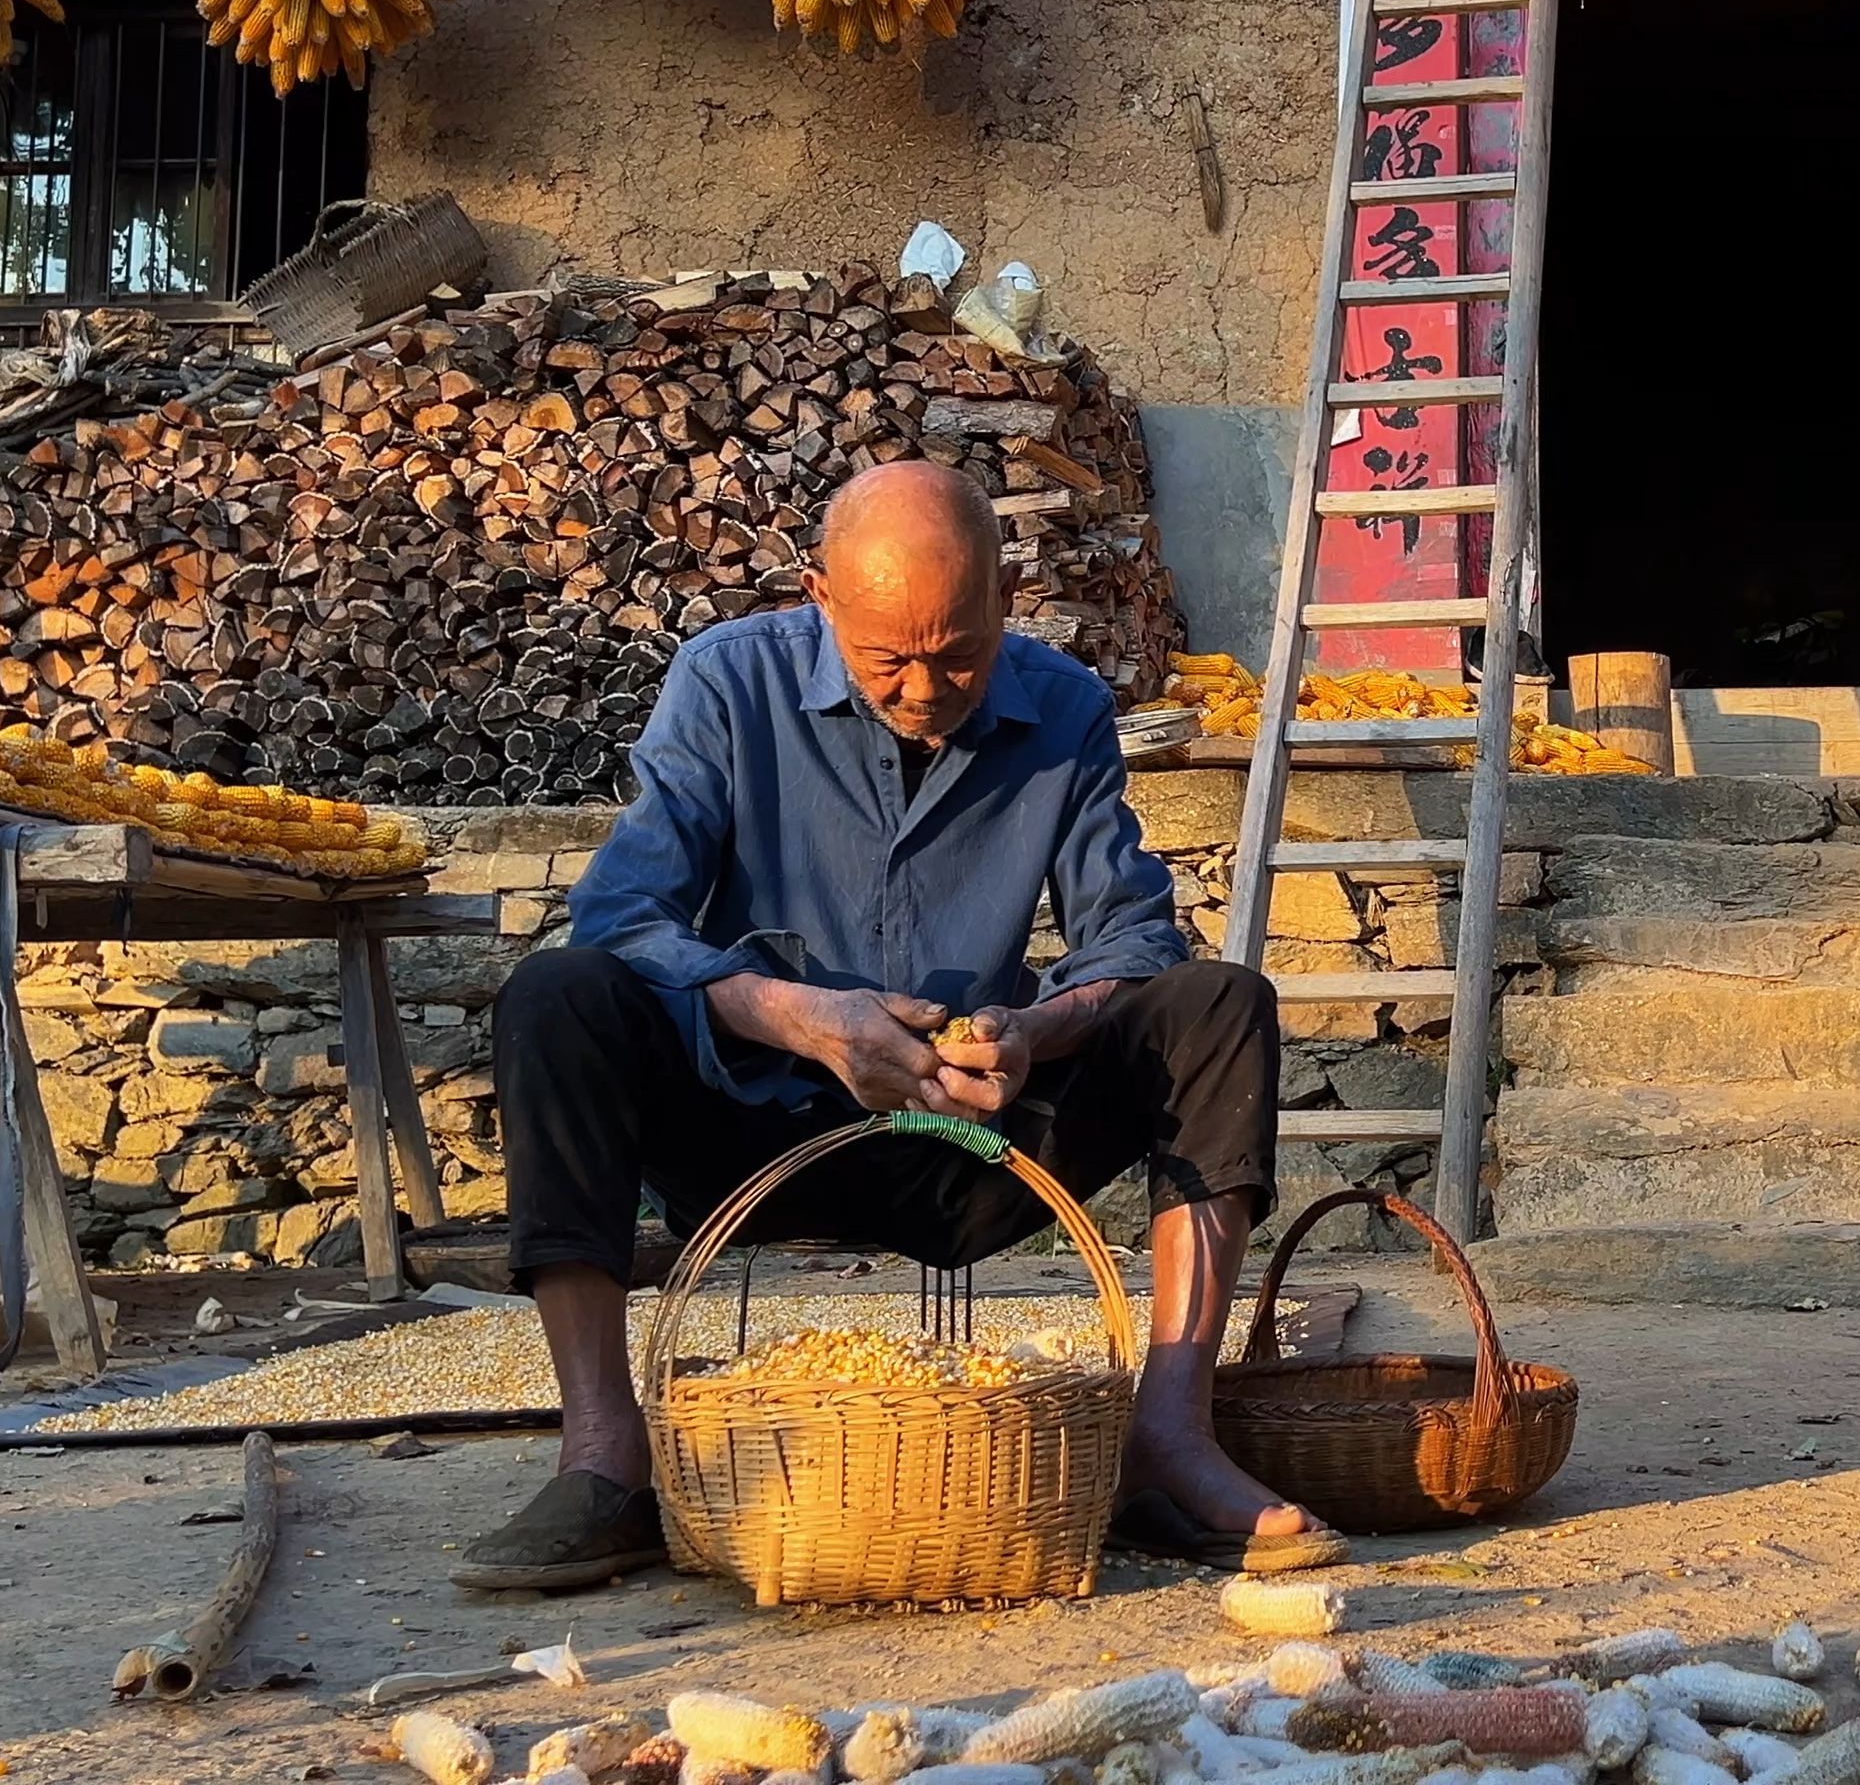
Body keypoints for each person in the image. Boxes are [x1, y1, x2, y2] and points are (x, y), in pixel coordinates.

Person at [453, 459, 1338, 1590]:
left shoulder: (1063, 712)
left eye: (960, 653)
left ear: (1005, 599)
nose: (925, 688)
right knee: (558, 995)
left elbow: (1134, 939)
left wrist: (1033, 1030)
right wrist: (801, 1016)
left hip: (974, 1138)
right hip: (749, 1137)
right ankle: (606, 1457)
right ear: (821, 595)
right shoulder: (726, 686)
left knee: (1218, 1004)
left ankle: (1167, 1442)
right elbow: (624, 912)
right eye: (889, 660)